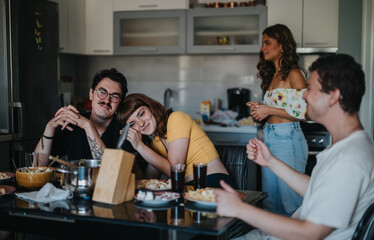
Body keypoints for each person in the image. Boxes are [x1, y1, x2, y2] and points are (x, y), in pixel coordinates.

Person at [215, 54, 374, 240]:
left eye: (310, 89)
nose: (303, 95)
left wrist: (240, 209)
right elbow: (316, 189)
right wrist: (271, 162)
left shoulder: (350, 160)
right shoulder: (347, 147)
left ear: (333, 96)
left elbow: (310, 234)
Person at [246, 24, 308, 216]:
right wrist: (261, 109)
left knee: (292, 203)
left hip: (288, 139)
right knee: (271, 203)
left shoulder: (295, 74)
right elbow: (279, 110)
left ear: (281, 45)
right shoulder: (272, 76)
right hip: (271, 138)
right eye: (262, 43)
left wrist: (268, 110)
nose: (262, 48)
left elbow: (306, 111)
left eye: (267, 43)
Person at [117, 93, 232, 187]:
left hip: (213, 183)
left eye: (141, 114)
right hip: (187, 190)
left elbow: (176, 170)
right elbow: (148, 180)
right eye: (133, 124)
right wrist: (130, 149)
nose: (141, 123)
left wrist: (139, 146)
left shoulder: (176, 118)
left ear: (151, 108)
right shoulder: (156, 142)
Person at [34, 68, 132, 163]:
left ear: (120, 102)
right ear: (91, 94)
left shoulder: (125, 131)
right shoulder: (72, 123)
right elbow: (38, 165)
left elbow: (110, 171)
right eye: (102, 92)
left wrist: (88, 126)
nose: (106, 100)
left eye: (114, 96)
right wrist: (49, 127)